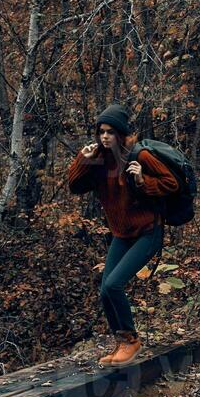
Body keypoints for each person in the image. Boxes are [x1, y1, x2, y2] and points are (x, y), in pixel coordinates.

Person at [67, 103, 180, 365]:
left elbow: (170, 184)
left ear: (120, 134)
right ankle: (122, 343)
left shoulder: (139, 156)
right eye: (101, 132)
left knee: (113, 285)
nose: (104, 137)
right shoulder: (98, 158)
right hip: (122, 233)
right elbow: (75, 186)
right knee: (105, 290)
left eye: (110, 132)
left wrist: (143, 181)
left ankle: (131, 341)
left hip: (148, 232)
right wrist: (82, 159)